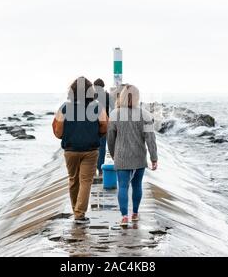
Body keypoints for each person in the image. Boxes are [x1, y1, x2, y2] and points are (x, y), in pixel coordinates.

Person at [52, 77, 108, 224]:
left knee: (73, 180)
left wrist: (67, 136)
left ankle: (75, 210)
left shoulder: (64, 107)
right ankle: (79, 214)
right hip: (90, 149)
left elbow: (57, 130)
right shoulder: (97, 107)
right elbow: (104, 125)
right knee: (86, 181)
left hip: (70, 150)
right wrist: (96, 134)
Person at [107, 85, 158, 226]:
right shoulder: (145, 115)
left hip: (122, 157)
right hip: (139, 156)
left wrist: (113, 154)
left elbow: (110, 138)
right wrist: (154, 158)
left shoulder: (114, 115)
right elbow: (150, 138)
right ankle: (135, 213)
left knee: (122, 186)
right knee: (137, 185)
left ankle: (124, 217)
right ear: (137, 97)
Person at [93, 78, 111, 176]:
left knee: (94, 147)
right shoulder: (108, 96)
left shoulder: (93, 96)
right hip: (104, 124)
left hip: (94, 125)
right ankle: (100, 170)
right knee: (102, 147)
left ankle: (95, 168)